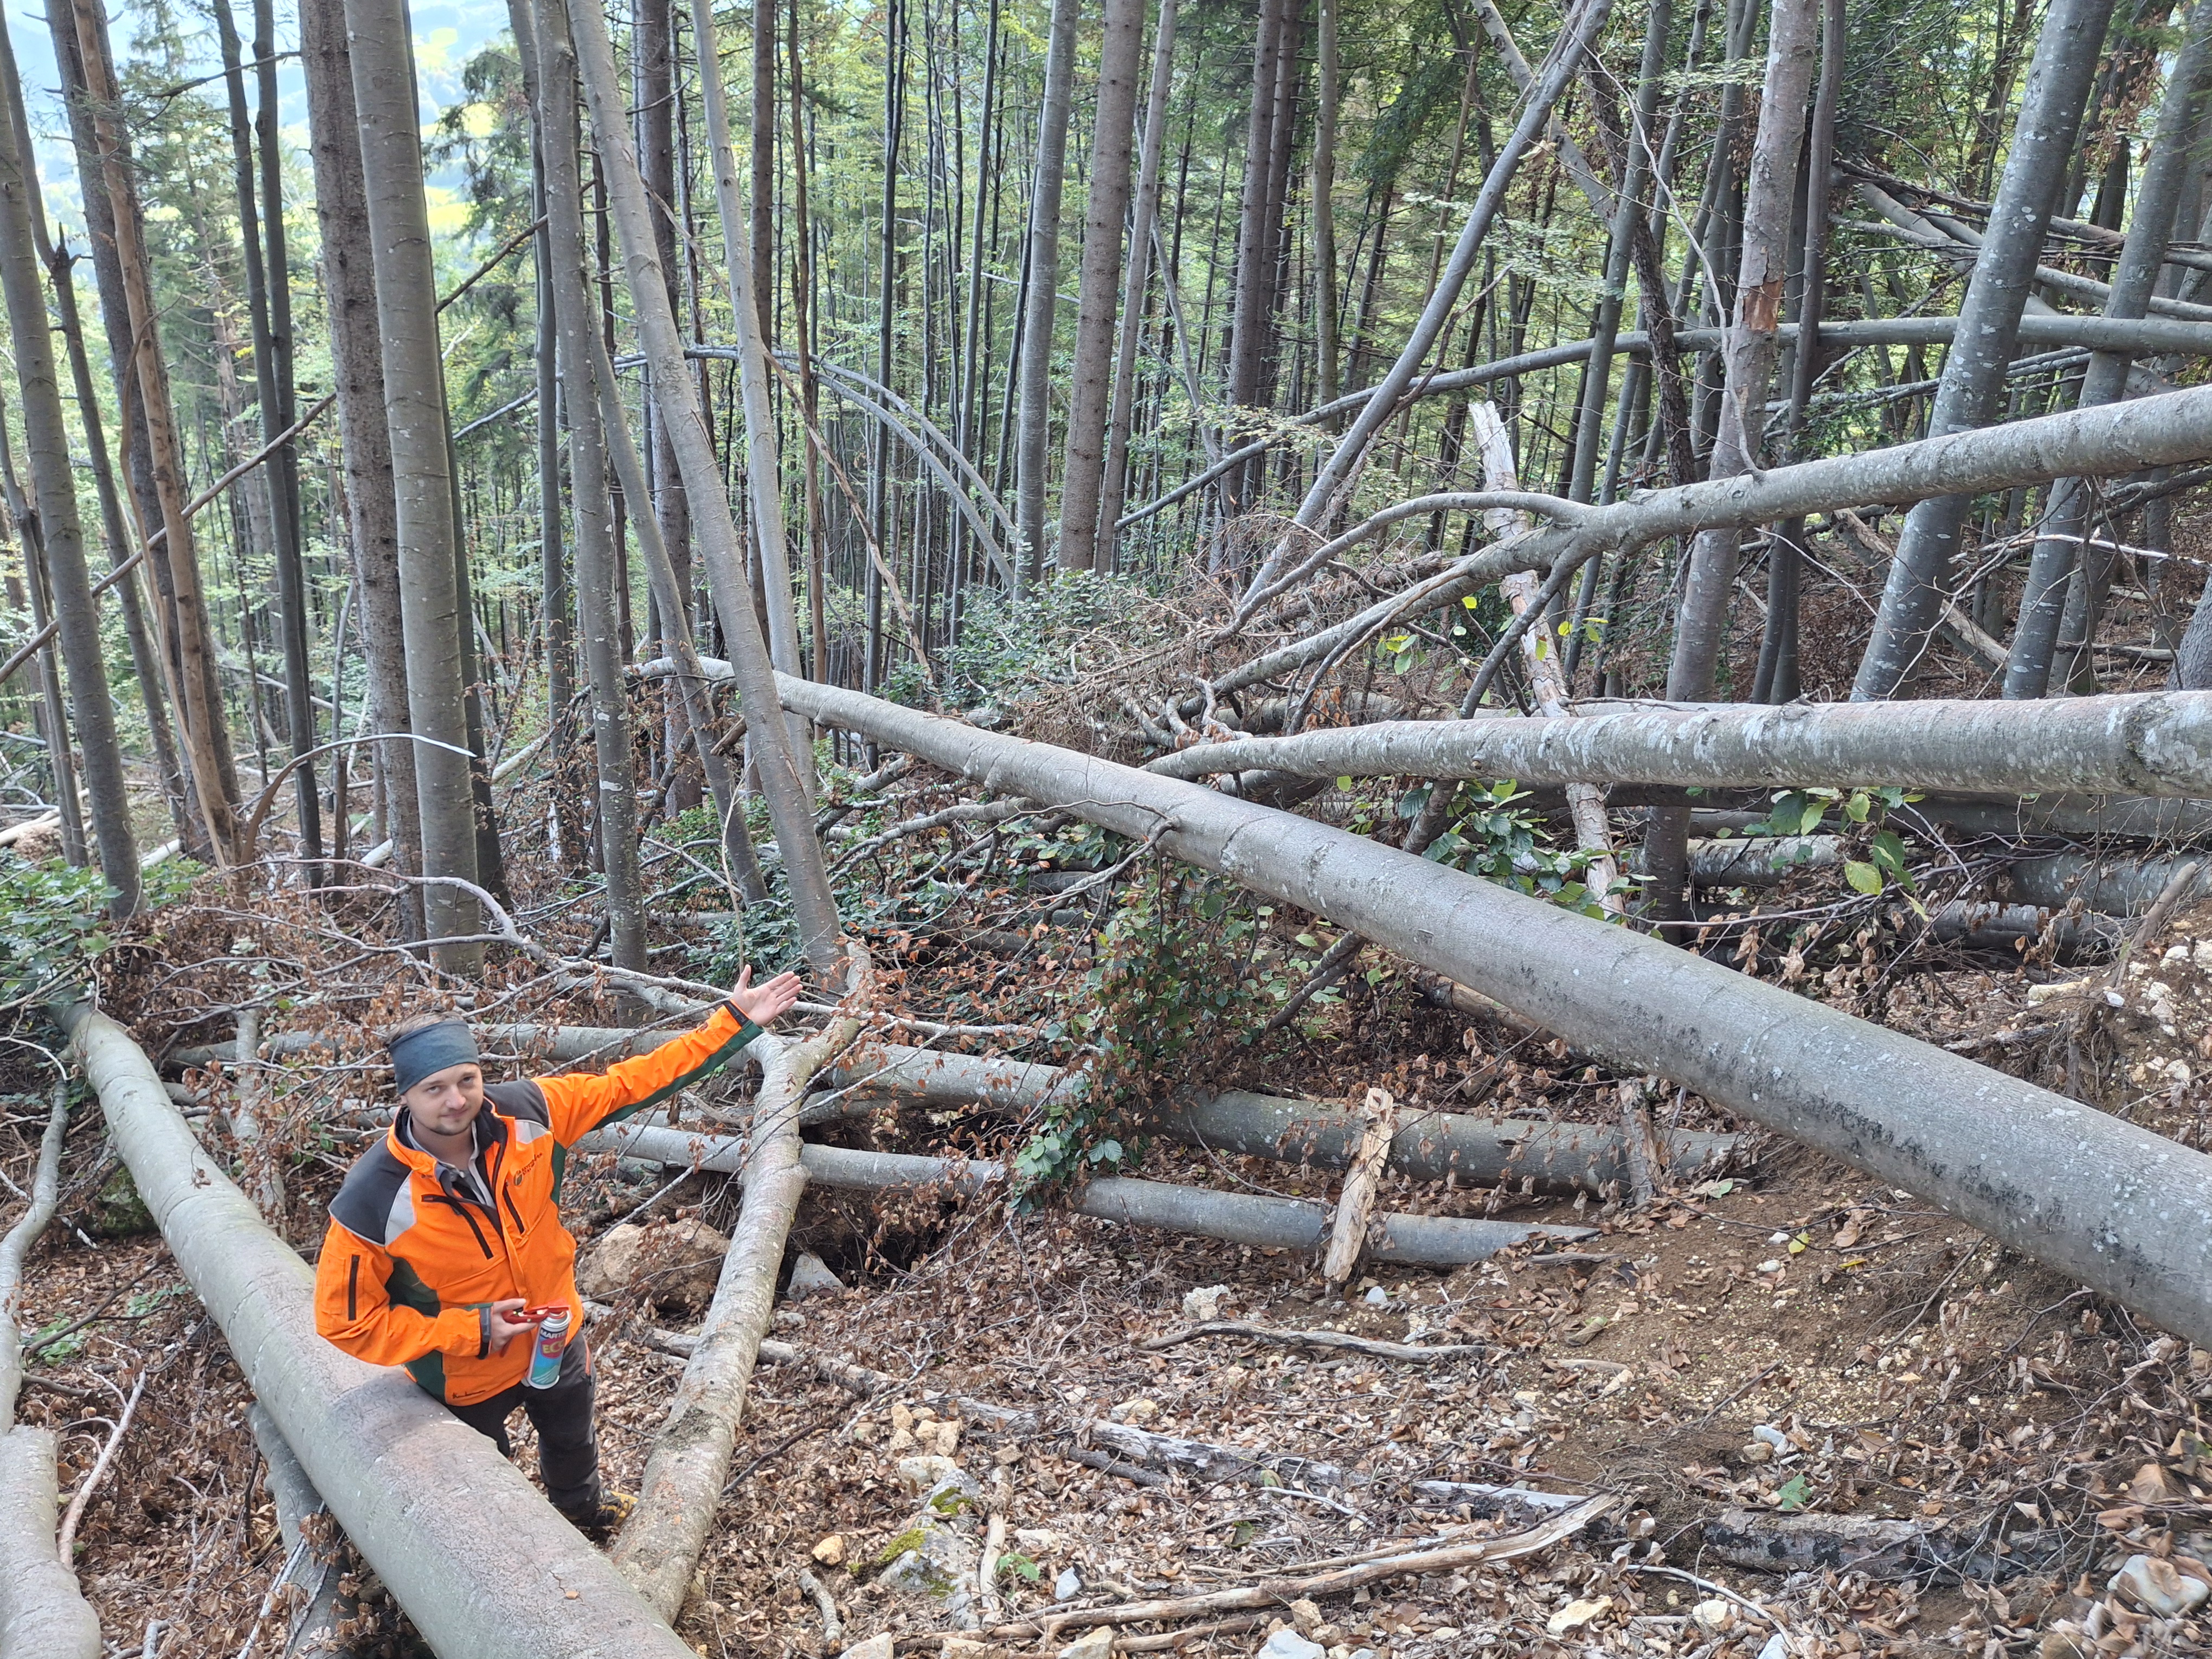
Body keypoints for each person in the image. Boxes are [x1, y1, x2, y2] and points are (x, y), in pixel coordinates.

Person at [311, 967, 803, 1531]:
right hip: (462, 1375)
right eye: (435, 1089)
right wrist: (470, 1330)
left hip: (555, 1334)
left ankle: (582, 1513)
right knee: (479, 1485)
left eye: (466, 1080)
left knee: (572, 1441)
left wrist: (733, 1023)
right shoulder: (374, 1196)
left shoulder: (530, 1114)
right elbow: (344, 1321)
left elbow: (632, 1082)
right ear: (406, 1095)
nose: (455, 1101)